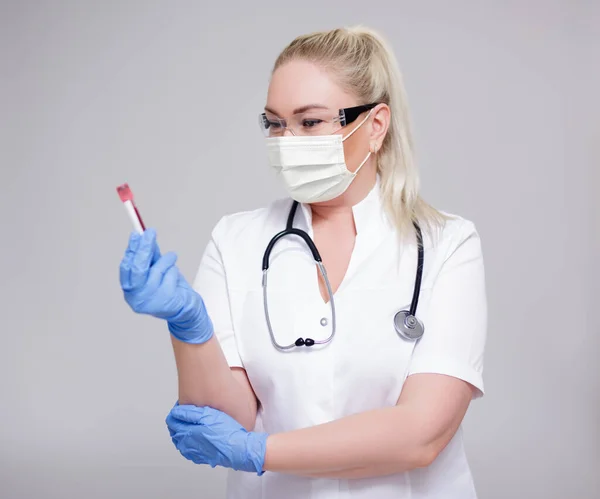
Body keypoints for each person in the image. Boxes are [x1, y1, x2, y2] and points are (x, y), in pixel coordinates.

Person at [119, 26, 487, 499]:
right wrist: (189, 328)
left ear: (375, 125)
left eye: (309, 123)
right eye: (274, 123)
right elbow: (228, 424)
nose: (286, 140)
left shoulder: (446, 245)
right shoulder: (237, 240)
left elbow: (422, 434)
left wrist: (261, 452)